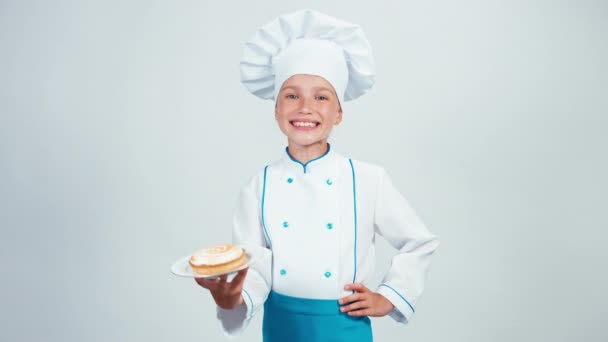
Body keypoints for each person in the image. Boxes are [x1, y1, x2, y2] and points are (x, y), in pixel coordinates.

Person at [195, 9, 439, 342]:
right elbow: (255, 268)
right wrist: (231, 299)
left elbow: (418, 242)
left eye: (321, 97)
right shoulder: (258, 187)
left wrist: (391, 295)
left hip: (343, 325)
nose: (305, 108)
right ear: (276, 108)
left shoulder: (368, 179)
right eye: (291, 95)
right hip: (282, 325)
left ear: (338, 113)